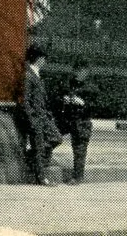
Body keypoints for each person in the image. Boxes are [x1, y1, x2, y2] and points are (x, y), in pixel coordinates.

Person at [19, 43, 60, 185]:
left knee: (56, 139)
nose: (45, 61)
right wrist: (32, 120)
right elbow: (25, 101)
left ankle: (30, 158)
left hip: (44, 118)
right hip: (36, 119)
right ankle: (42, 177)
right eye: (44, 58)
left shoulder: (35, 74)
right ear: (39, 58)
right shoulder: (28, 75)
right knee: (40, 147)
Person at [56, 63, 97, 184]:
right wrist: (65, 99)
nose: (78, 73)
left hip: (83, 122)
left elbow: (97, 107)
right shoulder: (69, 84)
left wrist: (83, 103)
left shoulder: (92, 87)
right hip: (68, 120)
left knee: (79, 150)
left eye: (81, 71)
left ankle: (78, 177)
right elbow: (58, 96)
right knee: (55, 137)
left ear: (86, 72)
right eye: (77, 71)